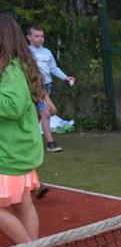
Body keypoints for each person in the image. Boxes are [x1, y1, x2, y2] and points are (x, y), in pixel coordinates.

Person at [0, 14, 54, 247]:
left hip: (10, 153)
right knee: (23, 205)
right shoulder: (15, 66)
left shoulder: (10, 70)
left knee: (16, 206)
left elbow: (12, 107)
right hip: (17, 149)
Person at [26, 24, 75, 153]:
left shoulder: (47, 52)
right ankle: (50, 143)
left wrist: (65, 77)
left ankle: (30, 140)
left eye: (42, 36)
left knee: (38, 114)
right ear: (29, 37)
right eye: (37, 36)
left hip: (46, 86)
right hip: (34, 87)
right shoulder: (26, 52)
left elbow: (53, 68)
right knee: (46, 113)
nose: (40, 39)